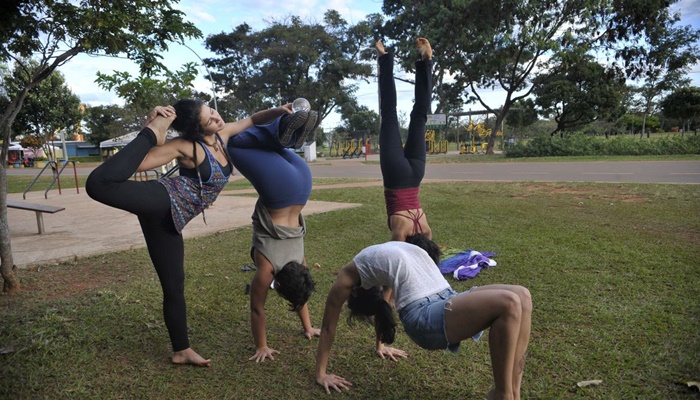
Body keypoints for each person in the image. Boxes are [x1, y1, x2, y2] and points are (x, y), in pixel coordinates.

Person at [85, 99, 304, 366]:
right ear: (196, 130)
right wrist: (152, 131)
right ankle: (153, 129)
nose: (216, 118)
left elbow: (253, 119)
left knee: (174, 285)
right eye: (209, 119)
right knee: (98, 184)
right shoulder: (185, 146)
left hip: (170, 223)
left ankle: (181, 350)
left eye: (213, 112)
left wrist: (279, 111)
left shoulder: (222, 136)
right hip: (162, 199)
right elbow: (138, 164)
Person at [314, 240, 532, 400]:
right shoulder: (346, 280)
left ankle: (514, 392)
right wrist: (321, 374)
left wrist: (380, 345)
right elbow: (327, 328)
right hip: (423, 315)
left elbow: (383, 303)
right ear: (354, 293)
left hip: (447, 296)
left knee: (522, 295)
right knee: (509, 302)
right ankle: (503, 395)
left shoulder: (371, 268)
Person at [227, 107, 321, 362]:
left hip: (302, 182)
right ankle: (282, 130)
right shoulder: (267, 269)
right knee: (231, 142)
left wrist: (309, 328)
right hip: (280, 189)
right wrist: (262, 346)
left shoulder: (300, 263)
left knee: (267, 146)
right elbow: (257, 309)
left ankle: (286, 131)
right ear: (276, 283)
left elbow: (301, 293)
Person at [377, 38, 434, 243]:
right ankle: (384, 58)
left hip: (417, 173)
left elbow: (429, 252)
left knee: (420, 116)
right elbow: (397, 254)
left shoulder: (426, 229)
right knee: (389, 114)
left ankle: (426, 61)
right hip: (396, 176)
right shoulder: (400, 232)